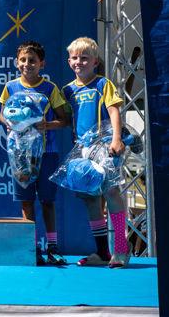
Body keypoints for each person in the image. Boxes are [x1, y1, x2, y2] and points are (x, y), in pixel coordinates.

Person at [0, 40, 70, 266]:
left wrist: (46, 125)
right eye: (23, 60)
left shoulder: (50, 88)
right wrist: (10, 122)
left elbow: (65, 120)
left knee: (47, 201)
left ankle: (52, 248)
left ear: (42, 64)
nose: (27, 64)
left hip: (46, 153)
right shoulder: (10, 87)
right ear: (16, 62)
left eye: (32, 60)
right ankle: (32, 248)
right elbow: (2, 114)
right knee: (26, 201)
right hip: (20, 155)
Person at [61, 36, 130, 269]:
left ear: (95, 62)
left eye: (84, 58)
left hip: (106, 145)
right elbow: (64, 119)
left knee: (111, 192)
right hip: (82, 150)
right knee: (91, 198)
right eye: (74, 58)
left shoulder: (103, 84)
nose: (79, 62)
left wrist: (117, 139)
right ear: (69, 61)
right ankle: (102, 252)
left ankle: (121, 248)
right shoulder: (67, 90)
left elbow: (114, 111)